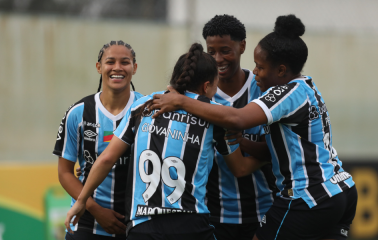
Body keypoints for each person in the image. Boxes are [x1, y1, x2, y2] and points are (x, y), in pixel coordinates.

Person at [150, 15, 358, 240]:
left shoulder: (283, 92)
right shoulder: (307, 86)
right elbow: (279, 149)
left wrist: (181, 101)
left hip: (306, 193)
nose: (256, 71)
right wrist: (243, 141)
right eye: (212, 51)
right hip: (341, 188)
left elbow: (238, 119)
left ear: (280, 70)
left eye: (260, 66)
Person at [64, 43, 267, 240]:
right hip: (190, 224)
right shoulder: (215, 116)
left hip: (141, 225)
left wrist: (82, 201)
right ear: (207, 86)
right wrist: (270, 157)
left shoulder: (143, 105)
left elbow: (107, 158)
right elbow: (240, 168)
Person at [54, 40, 144, 240]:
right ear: (99, 67)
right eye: (110, 61)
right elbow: (65, 173)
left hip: (135, 224)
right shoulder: (78, 113)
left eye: (125, 62)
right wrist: (95, 209)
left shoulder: (147, 110)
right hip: (87, 223)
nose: (117, 68)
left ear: (134, 68)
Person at [202, 14, 276, 240]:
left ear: (242, 46)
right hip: (215, 214)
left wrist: (241, 140)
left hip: (264, 209)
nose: (217, 59)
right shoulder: (201, 95)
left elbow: (278, 149)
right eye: (211, 51)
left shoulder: (264, 88)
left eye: (225, 50)